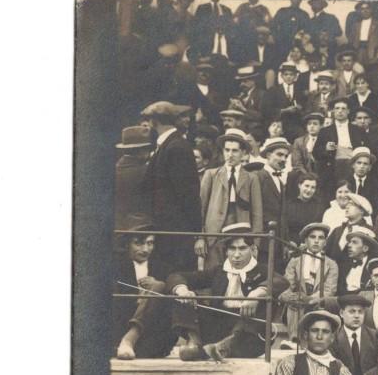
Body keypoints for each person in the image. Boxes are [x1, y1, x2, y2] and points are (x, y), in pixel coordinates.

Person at [168, 222, 279, 360]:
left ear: (253, 249)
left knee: (266, 302)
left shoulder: (262, 270)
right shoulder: (218, 271)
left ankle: (222, 348)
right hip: (218, 326)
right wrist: (182, 290)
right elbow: (177, 276)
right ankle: (195, 343)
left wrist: (257, 293)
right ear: (226, 251)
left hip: (247, 331)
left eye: (242, 248)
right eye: (232, 249)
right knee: (183, 296)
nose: (236, 255)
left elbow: (281, 282)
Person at [139, 101, 201, 271]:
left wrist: (195, 230)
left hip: (176, 233)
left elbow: (187, 194)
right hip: (168, 230)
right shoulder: (169, 145)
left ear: (154, 122)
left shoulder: (176, 147)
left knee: (176, 279)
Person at [113, 224, 178, 360]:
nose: (145, 249)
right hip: (119, 330)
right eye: (138, 243)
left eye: (150, 243)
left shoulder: (163, 268)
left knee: (159, 285)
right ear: (127, 244)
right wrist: (139, 298)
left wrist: (157, 288)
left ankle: (130, 339)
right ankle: (127, 340)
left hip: (152, 337)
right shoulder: (116, 267)